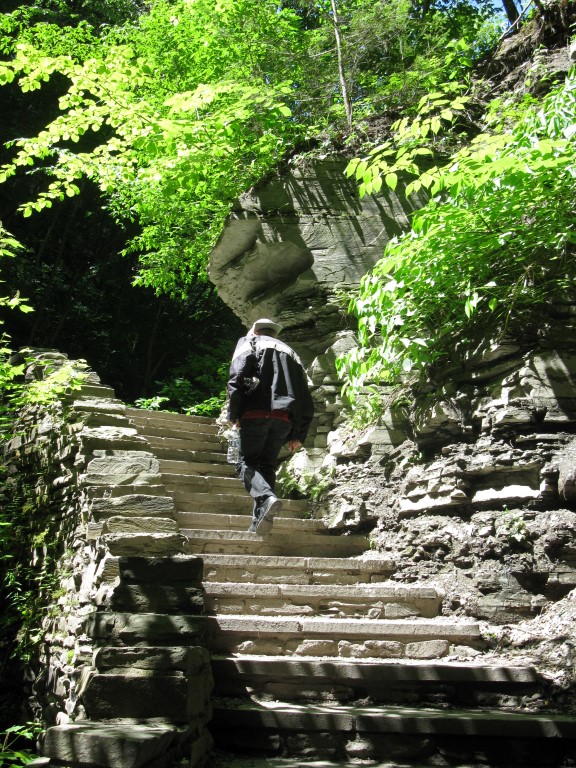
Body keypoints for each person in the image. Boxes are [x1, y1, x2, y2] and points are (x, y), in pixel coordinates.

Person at [227, 318, 314, 535]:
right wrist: (299, 434)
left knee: (245, 462)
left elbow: (237, 378)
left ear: (254, 331)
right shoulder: (292, 354)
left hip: (255, 412)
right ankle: (259, 522)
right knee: (266, 466)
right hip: (284, 420)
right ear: (275, 334)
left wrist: (233, 414)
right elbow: (305, 394)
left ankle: (266, 498)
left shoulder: (249, 343)